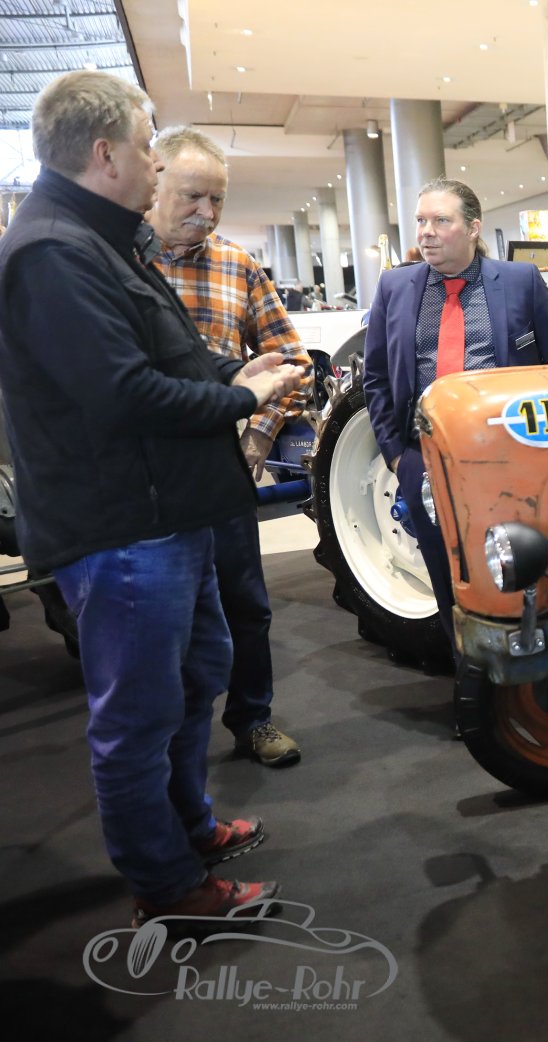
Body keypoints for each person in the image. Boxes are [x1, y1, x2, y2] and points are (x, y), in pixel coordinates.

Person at [0, 72, 303, 924]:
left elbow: (169, 356)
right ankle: (169, 888)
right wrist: (239, 397)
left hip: (170, 517)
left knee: (195, 677)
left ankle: (188, 828)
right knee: (136, 718)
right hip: (125, 530)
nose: (155, 164)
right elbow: (124, 394)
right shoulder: (53, 251)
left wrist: (232, 370)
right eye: (145, 148)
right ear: (105, 155)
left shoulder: (102, 240)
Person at [146, 125, 311, 767]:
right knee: (159, 614)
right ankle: (163, 744)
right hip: (143, 476)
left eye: (216, 199)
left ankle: (252, 719)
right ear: (154, 179)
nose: (206, 212)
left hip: (222, 467)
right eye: (193, 195)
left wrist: (256, 438)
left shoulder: (236, 265)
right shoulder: (119, 265)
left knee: (245, 604)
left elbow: (292, 362)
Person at [364, 178, 548, 655]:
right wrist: (396, 455)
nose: (426, 232)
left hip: (510, 459)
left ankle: (526, 665)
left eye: (441, 220)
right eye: (421, 221)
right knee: (446, 572)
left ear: (473, 228)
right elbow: (375, 376)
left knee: (514, 567)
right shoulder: (394, 287)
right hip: (423, 458)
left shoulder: (520, 282)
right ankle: (467, 668)